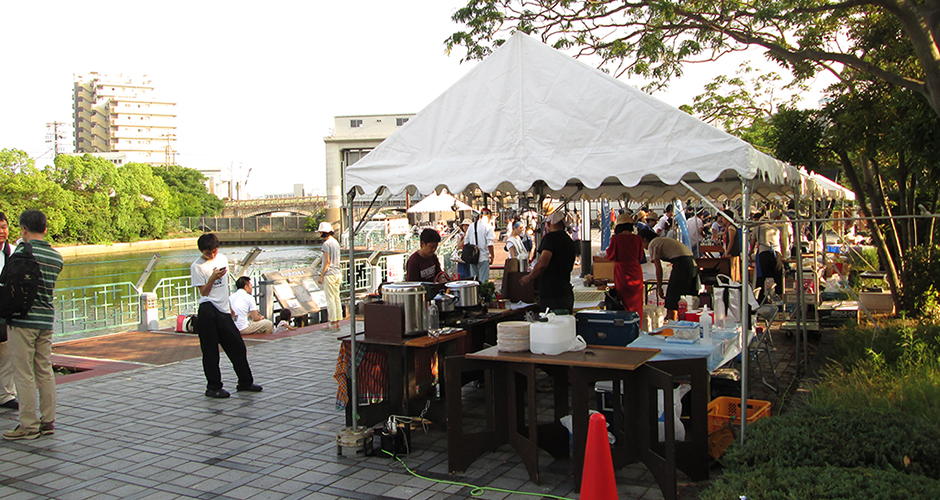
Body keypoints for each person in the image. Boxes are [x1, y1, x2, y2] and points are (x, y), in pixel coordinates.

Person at [3, 210, 63, 440]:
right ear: (46, 229)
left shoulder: (21, 252)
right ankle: (48, 421)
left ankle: (28, 425)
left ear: (23, 229)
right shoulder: (56, 257)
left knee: (24, 373)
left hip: (22, 320)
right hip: (46, 320)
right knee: (44, 370)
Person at [190, 233, 261, 399]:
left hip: (223, 310)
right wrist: (212, 278)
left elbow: (224, 287)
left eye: (214, 251)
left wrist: (229, 307)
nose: (212, 255)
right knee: (210, 351)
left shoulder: (222, 259)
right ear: (202, 251)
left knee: (237, 346)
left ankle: (245, 382)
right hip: (208, 309)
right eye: (208, 253)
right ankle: (213, 387)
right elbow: (204, 292)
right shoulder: (197, 266)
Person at [520, 210, 576, 312]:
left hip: (552, 294)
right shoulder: (569, 241)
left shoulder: (550, 238)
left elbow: (543, 263)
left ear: (549, 224)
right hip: (566, 291)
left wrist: (529, 277)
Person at [639, 228, 699, 321]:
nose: (643, 247)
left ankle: (672, 321)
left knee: (672, 298)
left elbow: (658, 268)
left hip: (682, 263)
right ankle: (684, 320)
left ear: (644, 239)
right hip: (692, 262)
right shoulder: (662, 240)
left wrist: (659, 287)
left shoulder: (653, 244)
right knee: (686, 296)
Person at [606, 213, 645, 323]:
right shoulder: (638, 239)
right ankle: (637, 324)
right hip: (636, 272)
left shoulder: (616, 239)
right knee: (637, 302)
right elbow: (640, 256)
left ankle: (625, 325)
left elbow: (611, 256)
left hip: (622, 273)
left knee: (623, 301)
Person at [0, 212, 18, 412]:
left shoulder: (12, 252)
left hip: (6, 309)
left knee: (6, 353)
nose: (1, 231)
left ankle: (5, 395)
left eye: (4, 227)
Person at [754, 209, 791, 304]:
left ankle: (760, 298)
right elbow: (782, 243)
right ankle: (780, 296)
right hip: (777, 254)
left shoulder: (757, 228)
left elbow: (753, 244)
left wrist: (750, 254)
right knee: (778, 276)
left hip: (764, 254)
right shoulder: (776, 229)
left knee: (761, 277)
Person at [317, 222, 342, 330]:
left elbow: (326, 261)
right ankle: (338, 321)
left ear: (323, 232)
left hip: (329, 274)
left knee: (330, 298)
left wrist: (321, 275)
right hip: (337, 272)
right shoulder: (336, 242)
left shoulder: (326, 244)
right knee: (336, 297)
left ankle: (332, 322)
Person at [463, 212, 495, 282]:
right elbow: (490, 244)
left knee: (474, 281)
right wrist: (492, 255)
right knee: (484, 281)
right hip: (483, 256)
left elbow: (466, 242)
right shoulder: (488, 227)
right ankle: (483, 292)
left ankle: (475, 293)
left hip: (472, 257)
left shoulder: (471, 226)